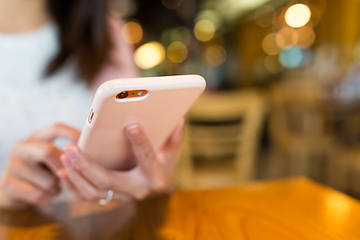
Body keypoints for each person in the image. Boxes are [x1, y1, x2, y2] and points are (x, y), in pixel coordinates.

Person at [0, 0, 184, 209]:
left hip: (104, 224)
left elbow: (130, 159)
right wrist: (4, 196)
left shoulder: (104, 31)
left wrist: (154, 179)